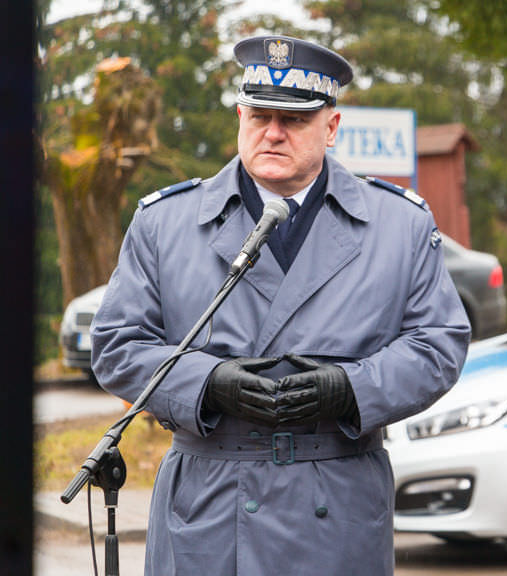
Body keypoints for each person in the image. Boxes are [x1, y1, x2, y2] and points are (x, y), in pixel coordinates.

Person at [91, 35, 470, 575]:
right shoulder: (166, 222)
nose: (273, 133)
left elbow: (439, 344)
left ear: (331, 128)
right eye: (259, 116)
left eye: (293, 120)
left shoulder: (400, 226)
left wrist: (350, 389)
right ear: (239, 116)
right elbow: (117, 343)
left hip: (335, 501)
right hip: (210, 503)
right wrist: (208, 383)